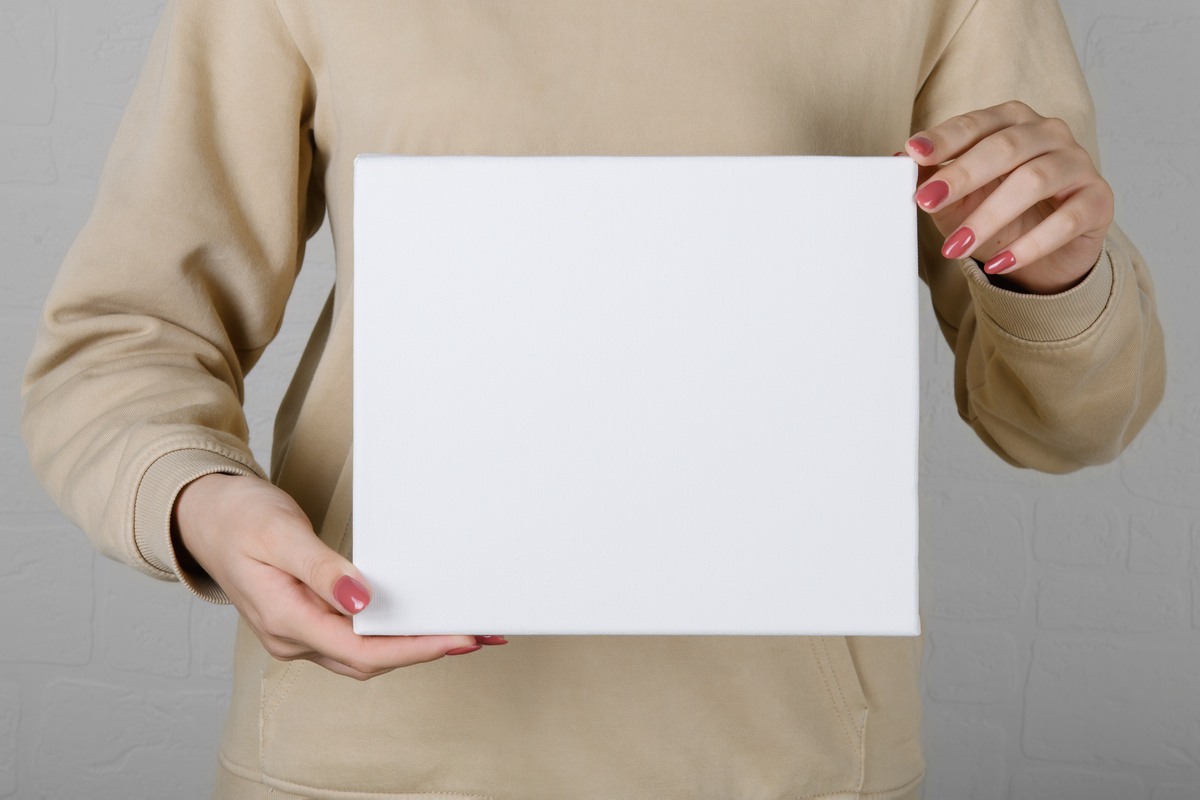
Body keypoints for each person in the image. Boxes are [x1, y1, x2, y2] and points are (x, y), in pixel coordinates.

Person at [20, 0, 1165, 797]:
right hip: (368, 759)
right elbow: (126, 339)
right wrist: (202, 504)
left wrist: (1056, 273)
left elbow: (1060, 418)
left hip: (783, 766)